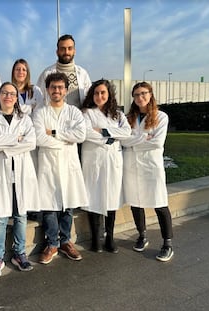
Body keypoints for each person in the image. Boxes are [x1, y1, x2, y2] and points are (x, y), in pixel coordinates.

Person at [33, 72, 88, 264]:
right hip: (48, 164)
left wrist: (55, 133)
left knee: (68, 205)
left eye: (60, 87)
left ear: (66, 90)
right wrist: (65, 141)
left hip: (68, 165)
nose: (56, 91)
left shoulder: (73, 112)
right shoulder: (40, 112)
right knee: (49, 206)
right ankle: (52, 243)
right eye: (53, 87)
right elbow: (39, 137)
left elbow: (80, 135)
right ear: (47, 90)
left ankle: (66, 242)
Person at [0, 82, 40, 278]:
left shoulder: (24, 119)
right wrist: (16, 139)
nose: (8, 96)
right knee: (0, 218)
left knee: (20, 215)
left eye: (12, 93)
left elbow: (31, 142)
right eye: (4, 93)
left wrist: (7, 143)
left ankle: (19, 254)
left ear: (17, 98)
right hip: (1, 173)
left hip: (21, 174)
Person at [122, 81, 174, 262]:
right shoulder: (128, 117)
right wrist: (143, 137)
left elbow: (157, 142)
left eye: (143, 93)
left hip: (151, 167)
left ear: (150, 94)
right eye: (136, 95)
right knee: (136, 202)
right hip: (132, 167)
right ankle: (142, 235)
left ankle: (167, 243)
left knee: (159, 203)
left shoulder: (161, 117)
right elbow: (122, 140)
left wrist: (134, 141)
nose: (140, 97)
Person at [81, 79, 131, 253]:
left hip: (112, 160)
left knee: (111, 197)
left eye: (103, 92)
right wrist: (111, 137)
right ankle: (95, 239)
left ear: (109, 94)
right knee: (93, 196)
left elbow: (126, 132)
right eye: (96, 93)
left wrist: (103, 131)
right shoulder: (86, 113)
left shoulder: (117, 114)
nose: (99, 96)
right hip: (93, 160)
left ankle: (109, 237)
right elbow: (86, 133)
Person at [36, 34, 91, 108]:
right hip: (52, 118)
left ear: (74, 51)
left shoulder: (82, 74)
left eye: (70, 48)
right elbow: (38, 100)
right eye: (63, 49)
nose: (66, 52)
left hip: (79, 118)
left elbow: (90, 100)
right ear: (57, 52)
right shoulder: (46, 74)